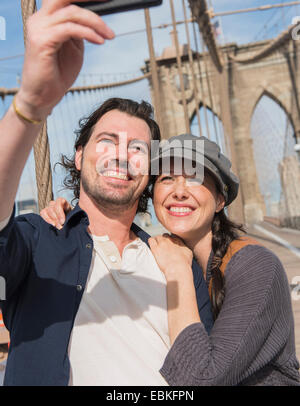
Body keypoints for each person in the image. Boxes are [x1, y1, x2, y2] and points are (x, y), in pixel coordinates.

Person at [0, 0, 212, 386]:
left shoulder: (176, 261)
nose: (121, 153)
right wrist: (31, 104)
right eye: (107, 140)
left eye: (137, 148)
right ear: (78, 156)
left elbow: (206, 372)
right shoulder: (38, 242)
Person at [45, 134, 300, 386]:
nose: (179, 192)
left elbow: (199, 380)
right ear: (154, 195)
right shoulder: (160, 257)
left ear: (220, 200)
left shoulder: (254, 266)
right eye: (167, 179)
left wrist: (178, 271)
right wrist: (71, 219)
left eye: (194, 179)